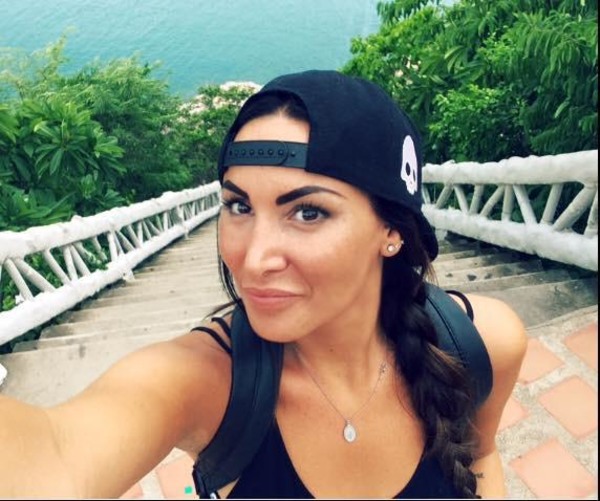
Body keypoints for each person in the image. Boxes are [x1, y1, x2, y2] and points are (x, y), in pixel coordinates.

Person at [0, 69, 527, 499]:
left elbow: (480, 454)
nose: (252, 260)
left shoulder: (482, 344)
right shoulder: (207, 383)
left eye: (308, 212)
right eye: (238, 206)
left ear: (392, 231)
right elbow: (57, 459)